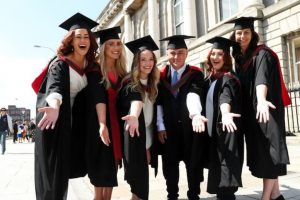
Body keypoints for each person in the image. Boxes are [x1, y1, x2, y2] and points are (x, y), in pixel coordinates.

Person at [33, 12, 99, 200]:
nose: (83, 40)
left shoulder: (90, 65)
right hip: (53, 119)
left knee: (65, 170)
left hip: (72, 121)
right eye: (78, 36)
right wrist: (54, 105)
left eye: (86, 36)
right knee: (54, 175)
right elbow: (55, 87)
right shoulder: (60, 64)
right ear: (71, 41)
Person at [228, 16, 291, 200]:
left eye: (246, 32)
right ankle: (276, 195)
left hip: (266, 110)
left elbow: (261, 79)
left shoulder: (262, 53)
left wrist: (261, 100)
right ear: (234, 35)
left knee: (269, 153)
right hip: (253, 113)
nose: (242, 36)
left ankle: (265, 198)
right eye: (239, 33)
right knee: (263, 153)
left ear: (252, 34)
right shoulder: (240, 58)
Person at [157, 35, 206, 200]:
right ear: (167, 53)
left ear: (186, 53)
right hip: (169, 129)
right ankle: (172, 195)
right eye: (172, 53)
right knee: (170, 164)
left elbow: (194, 94)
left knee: (193, 162)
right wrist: (160, 126)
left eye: (180, 52)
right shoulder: (161, 77)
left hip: (190, 127)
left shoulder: (195, 74)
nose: (176, 57)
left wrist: (195, 115)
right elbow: (158, 103)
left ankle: (194, 194)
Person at [87, 26, 127, 200]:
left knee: (111, 170)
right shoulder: (95, 71)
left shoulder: (122, 73)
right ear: (104, 48)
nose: (116, 47)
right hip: (99, 124)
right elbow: (97, 98)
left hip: (117, 124)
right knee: (100, 172)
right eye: (111, 44)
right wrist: (102, 124)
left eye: (118, 43)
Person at [118, 35, 160, 200]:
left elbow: (150, 118)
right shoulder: (129, 82)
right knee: (140, 186)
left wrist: (148, 146)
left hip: (144, 139)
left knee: (141, 187)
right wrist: (134, 115)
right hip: (133, 137)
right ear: (137, 61)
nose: (148, 63)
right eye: (143, 59)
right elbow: (136, 101)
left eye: (151, 59)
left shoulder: (153, 82)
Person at [203, 37, 244, 200]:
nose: (215, 57)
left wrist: (226, 113)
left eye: (220, 54)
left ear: (226, 57)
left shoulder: (228, 79)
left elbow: (225, 98)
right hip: (216, 131)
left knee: (226, 169)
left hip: (227, 131)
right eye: (213, 54)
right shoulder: (211, 78)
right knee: (219, 170)